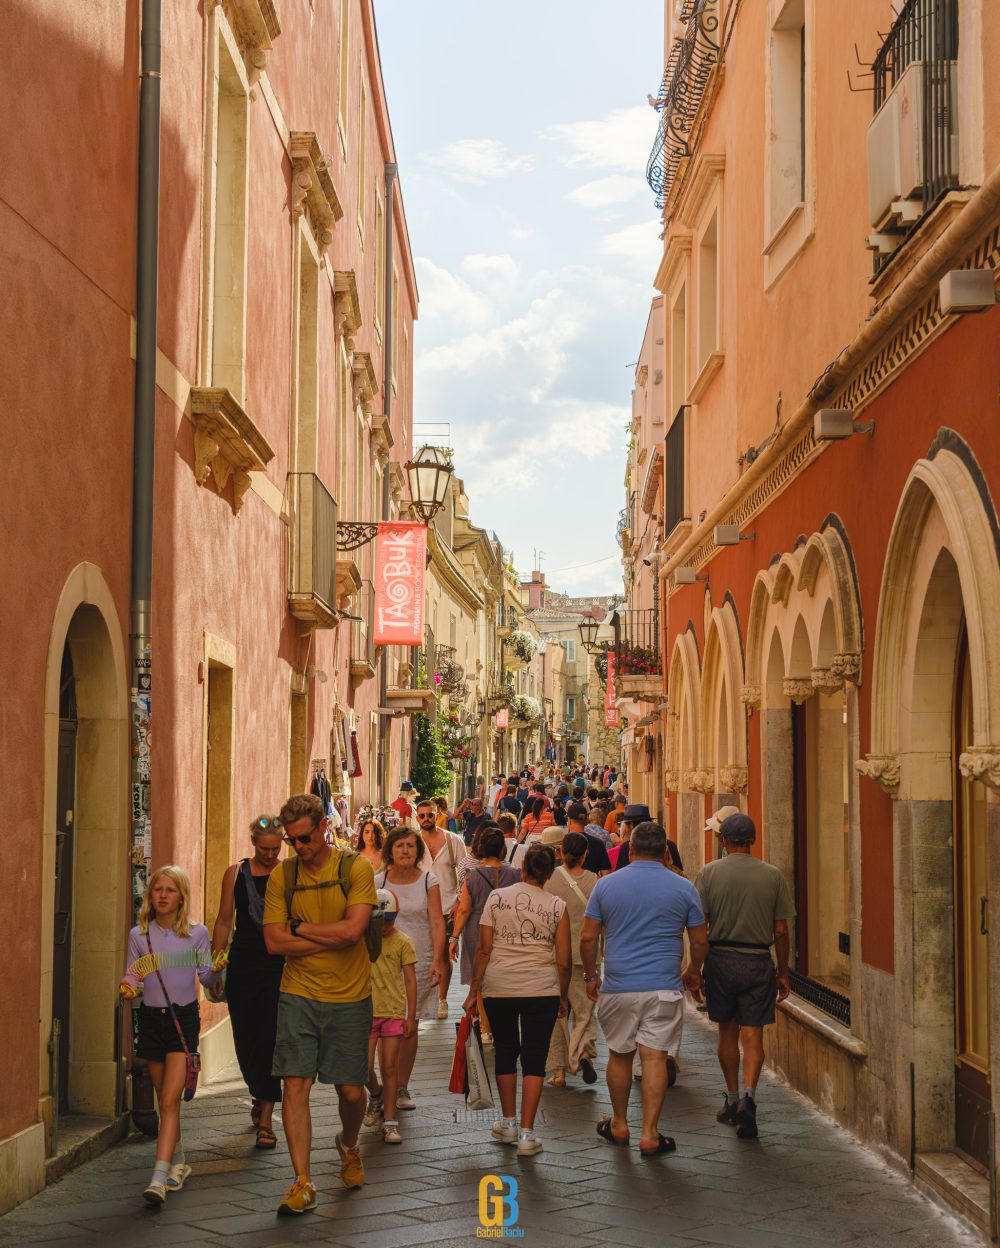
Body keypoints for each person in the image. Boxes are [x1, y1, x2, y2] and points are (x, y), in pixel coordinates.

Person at [263, 793, 377, 1214]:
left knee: (350, 1091)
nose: (299, 848)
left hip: (350, 995)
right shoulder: (283, 876)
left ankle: (348, 1144)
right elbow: (274, 942)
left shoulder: (355, 868)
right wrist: (325, 936)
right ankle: (303, 1181)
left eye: (305, 838)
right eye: (293, 841)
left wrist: (302, 929)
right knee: (295, 1083)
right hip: (298, 993)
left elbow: (353, 932)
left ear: (323, 828)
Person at [581, 822, 708, 1158]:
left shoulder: (606, 885)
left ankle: (620, 1124)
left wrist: (591, 975)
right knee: (654, 1057)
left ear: (630, 849)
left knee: (620, 1055)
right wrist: (694, 971)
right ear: (665, 852)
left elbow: (588, 936)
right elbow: (699, 939)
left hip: (619, 985)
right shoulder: (683, 888)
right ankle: (650, 1134)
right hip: (664, 987)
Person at [120, 866, 224, 1204]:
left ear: (182, 897)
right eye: (157, 889)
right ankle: (178, 1161)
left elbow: (206, 979)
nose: (163, 895)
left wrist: (219, 970)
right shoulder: (139, 934)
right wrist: (126, 987)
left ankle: (159, 1175)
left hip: (183, 1019)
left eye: (170, 890)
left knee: (169, 1100)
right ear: (150, 895)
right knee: (164, 1102)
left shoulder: (196, 934)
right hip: (150, 1020)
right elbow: (133, 975)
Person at [464, 844, 572, 1156]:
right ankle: (527, 1134)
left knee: (506, 1052)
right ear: (549, 874)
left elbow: (484, 950)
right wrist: (562, 995)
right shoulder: (557, 905)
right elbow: (564, 961)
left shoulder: (497, 898)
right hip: (542, 989)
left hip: (501, 987)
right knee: (535, 1058)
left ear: (522, 868)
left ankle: (508, 1122)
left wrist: (474, 990)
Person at [694, 811, 794, 1140]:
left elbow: (701, 928)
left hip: (722, 959)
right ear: (752, 841)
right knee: (753, 1035)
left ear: (724, 841)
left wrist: (697, 967)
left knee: (726, 1031)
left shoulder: (708, 874)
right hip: (757, 961)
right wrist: (783, 971)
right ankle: (750, 1098)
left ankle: (732, 1097)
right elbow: (781, 929)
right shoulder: (773, 876)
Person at [210, 815, 285, 1149]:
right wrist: (215, 965)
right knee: (245, 1036)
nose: (270, 855)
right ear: (254, 843)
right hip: (243, 963)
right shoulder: (236, 873)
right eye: (264, 848)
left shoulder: (289, 874)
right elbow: (225, 920)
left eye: (276, 848)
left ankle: (267, 1119)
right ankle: (258, 1090)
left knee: (270, 1036)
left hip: (279, 964)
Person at [375, 826, 447, 1112]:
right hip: (382, 963)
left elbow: (437, 922)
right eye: (400, 845)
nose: (405, 850)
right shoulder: (378, 880)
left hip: (418, 959)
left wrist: (438, 960)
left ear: (418, 852)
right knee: (384, 1024)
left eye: (410, 846)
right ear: (390, 850)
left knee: (410, 1023)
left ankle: (401, 1085)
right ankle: (386, 1084)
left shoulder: (428, 880)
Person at [450, 824, 521, 1042]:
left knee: (479, 979)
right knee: (505, 975)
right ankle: (505, 1024)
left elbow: (463, 908)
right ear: (502, 849)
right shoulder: (516, 874)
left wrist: (454, 937)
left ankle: (486, 1028)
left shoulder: (472, 876)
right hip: (507, 927)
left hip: (477, 928)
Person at [542, 830, 600, 1088]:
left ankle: (560, 1071)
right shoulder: (595, 881)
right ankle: (583, 1052)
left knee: (557, 1013)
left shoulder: (549, 880)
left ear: (561, 853)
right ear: (585, 854)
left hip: (555, 955)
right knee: (585, 1011)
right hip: (587, 956)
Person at [363, 889, 417, 1145]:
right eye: (380, 920)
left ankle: (390, 1121)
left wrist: (411, 1016)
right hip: (366, 1011)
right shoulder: (363, 940)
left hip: (393, 1011)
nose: (384, 926)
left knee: (388, 1066)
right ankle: (376, 1095)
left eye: (389, 920)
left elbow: (410, 980)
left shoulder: (403, 942)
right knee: (362, 1065)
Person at [414, 798, 466, 1020]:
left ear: (438, 815)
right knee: (422, 955)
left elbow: (465, 874)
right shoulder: (413, 842)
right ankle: (424, 999)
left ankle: (442, 1000)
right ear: (417, 818)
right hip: (420, 908)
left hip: (447, 907)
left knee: (444, 955)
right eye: (422, 815)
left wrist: (459, 900)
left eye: (430, 815)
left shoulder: (453, 841)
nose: (426, 819)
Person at [612, 804, 683, 872]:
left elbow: (620, 873)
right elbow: (679, 872)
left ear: (631, 825)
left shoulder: (627, 847)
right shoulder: (670, 844)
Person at [565, 803, 613, 877]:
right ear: (586, 820)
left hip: (568, 886)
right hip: (592, 886)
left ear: (569, 820)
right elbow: (606, 875)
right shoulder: (598, 843)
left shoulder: (564, 843)